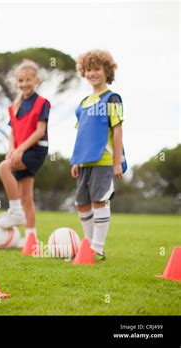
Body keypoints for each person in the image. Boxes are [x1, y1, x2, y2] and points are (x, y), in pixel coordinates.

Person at [70, 50, 126, 261]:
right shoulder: (83, 103)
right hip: (83, 161)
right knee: (81, 203)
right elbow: (81, 133)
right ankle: (88, 247)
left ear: (107, 71)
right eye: (89, 69)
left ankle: (98, 248)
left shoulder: (112, 98)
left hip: (104, 160)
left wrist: (117, 162)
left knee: (99, 201)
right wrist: (76, 160)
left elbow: (118, 131)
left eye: (97, 69)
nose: (92, 73)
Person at [0, 60, 51, 242]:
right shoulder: (14, 106)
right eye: (21, 80)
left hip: (35, 151)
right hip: (20, 151)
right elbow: (13, 132)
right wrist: (11, 149)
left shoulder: (43, 103)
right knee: (26, 196)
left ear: (37, 80)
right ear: (17, 82)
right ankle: (31, 238)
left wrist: (19, 150)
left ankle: (16, 213)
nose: (24, 84)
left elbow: (40, 131)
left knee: (4, 167)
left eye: (28, 80)